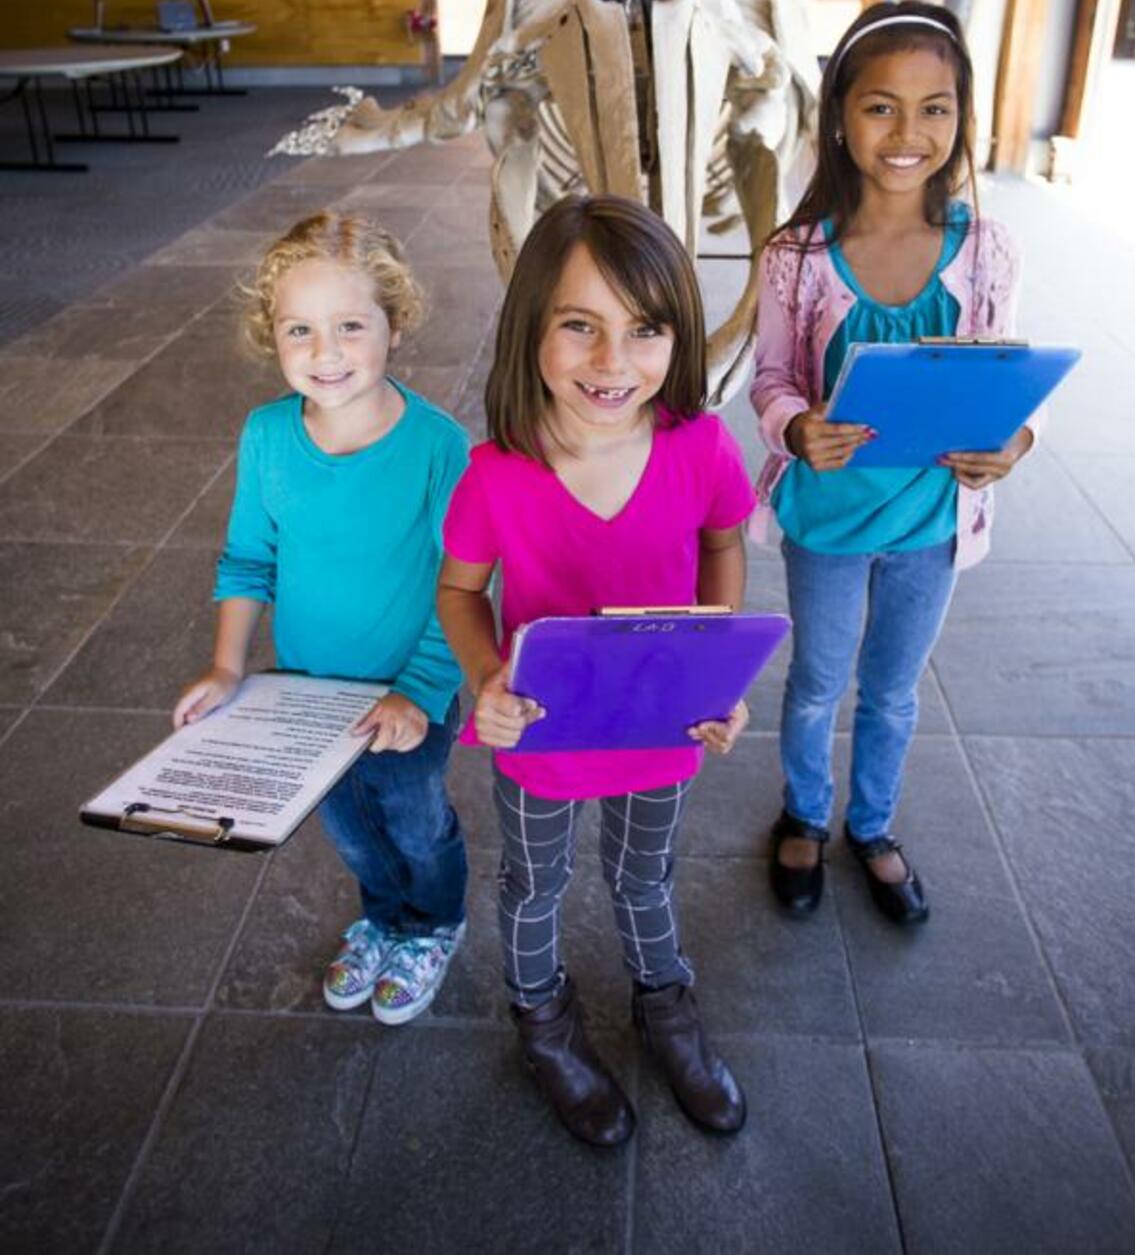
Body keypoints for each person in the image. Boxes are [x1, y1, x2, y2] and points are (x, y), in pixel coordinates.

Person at [437, 195, 755, 1147]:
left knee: (645, 876)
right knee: (535, 883)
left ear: (678, 336)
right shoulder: (494, 472)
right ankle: (542, 1024)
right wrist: (487, 674)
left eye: (644, 329)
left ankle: (667, 1007)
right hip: (541, 733)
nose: (614, 362)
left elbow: (724, 539)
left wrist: (717, 666)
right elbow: (459, 592)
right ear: (530, 327)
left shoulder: (699, 444)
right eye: (581, 326)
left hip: (659, 725)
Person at [752, 0, 1034, 927]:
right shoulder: (797, 255)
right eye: (881, 106)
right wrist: (796, 429)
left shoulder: (984, 249)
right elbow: (772, 377)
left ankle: (871, 824)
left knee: (893, 688)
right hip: (828, 519)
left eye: (936, 108)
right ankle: (803, 812)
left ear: (960, 118)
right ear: (839, 115)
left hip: (930, 525)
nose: (910, 133)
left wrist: (1014, 443)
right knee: (819, 682)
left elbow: (1005, 377)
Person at [173, 211, 469, 1024]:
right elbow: (247, 560)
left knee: (414, 819)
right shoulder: (267, 435)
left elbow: (464, 583)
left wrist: (419, 688)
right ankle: (383, 917)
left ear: (394, 327)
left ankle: (434, 923)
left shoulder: (441, 447)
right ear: (270, 335)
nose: (324, 352)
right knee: (348, 827)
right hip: (305, 693)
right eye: (298, 329)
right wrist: (229, 664)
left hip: (414, 689)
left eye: (349, 326)